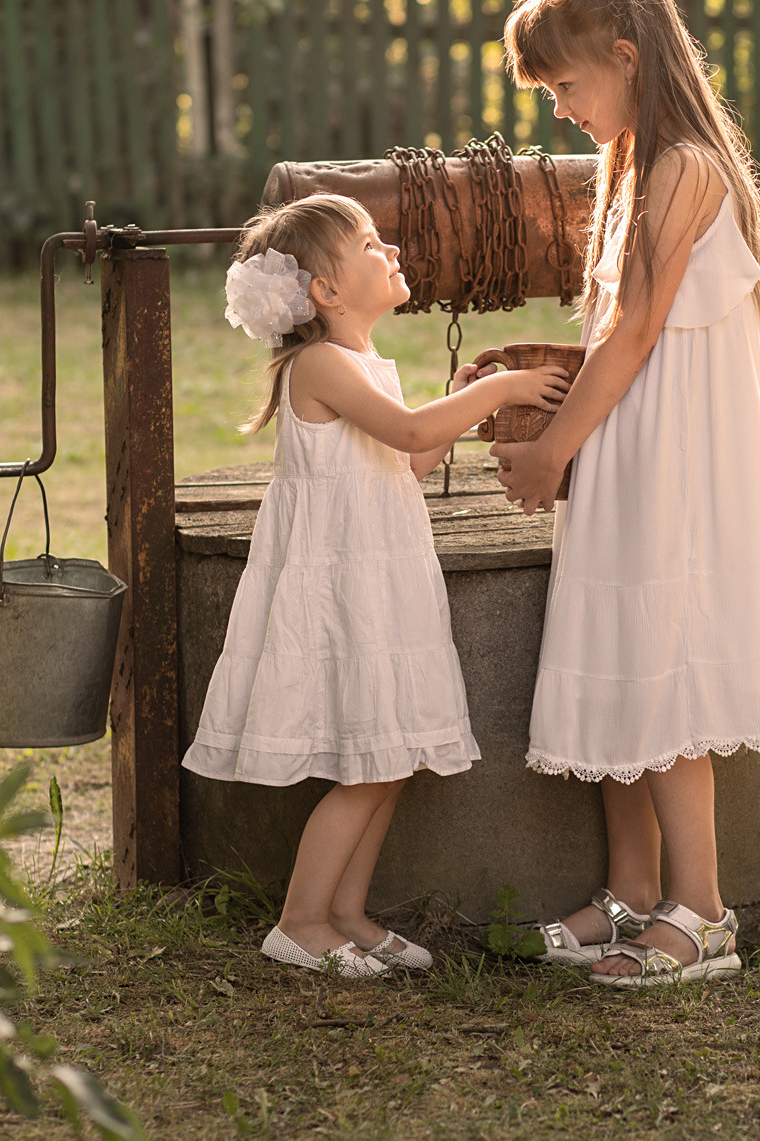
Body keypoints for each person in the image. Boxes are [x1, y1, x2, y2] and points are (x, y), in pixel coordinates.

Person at [492, 0, 760, 988]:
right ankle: (631, 890)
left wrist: (550, 450)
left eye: (566, 87)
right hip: (637, 443)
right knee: (624, 651)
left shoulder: (682, 166)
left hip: (674, 459)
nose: (561, 109)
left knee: (664, 662)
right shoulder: (635, 159)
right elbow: (615, 334)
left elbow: (633, 335)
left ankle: (703, 911)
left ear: (625, 57)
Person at [184, 194, 571, 978]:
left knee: (385, 755)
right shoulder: (321, 363)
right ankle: (299, 921)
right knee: (365, 766)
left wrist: (458, 399)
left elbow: (410, 460)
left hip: (381, 577)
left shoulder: (361, 364)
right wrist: (497, 392)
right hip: (342, 588)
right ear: (325, 292)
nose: (389, 248)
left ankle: (347, 913)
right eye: (368, 241)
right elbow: (414, 432)